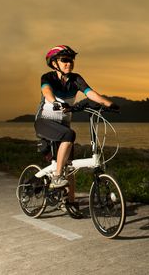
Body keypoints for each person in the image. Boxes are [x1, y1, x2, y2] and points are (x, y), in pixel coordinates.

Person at [34, 45, 118, 213]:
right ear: (54, 63)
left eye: (71, 60)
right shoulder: (48, 77)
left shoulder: (75, 79)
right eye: (64, 60)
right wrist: (55, 102)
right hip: (45, 121)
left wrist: (109, 104)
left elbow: (91, 93)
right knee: (69, 135)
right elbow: (47, 92)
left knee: (69, 165)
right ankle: (57, 177)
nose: (69, 63)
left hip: (63, 124)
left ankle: (69, 202)